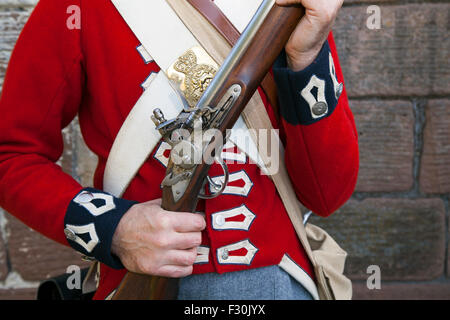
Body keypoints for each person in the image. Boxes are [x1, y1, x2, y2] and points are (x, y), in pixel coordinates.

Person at [0, 0, 358, 300]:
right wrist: (115, 228)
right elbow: (10, 155)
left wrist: (307, 56)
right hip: (141, 281)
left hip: (278, 283)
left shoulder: (288, 10)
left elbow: (328, 195)